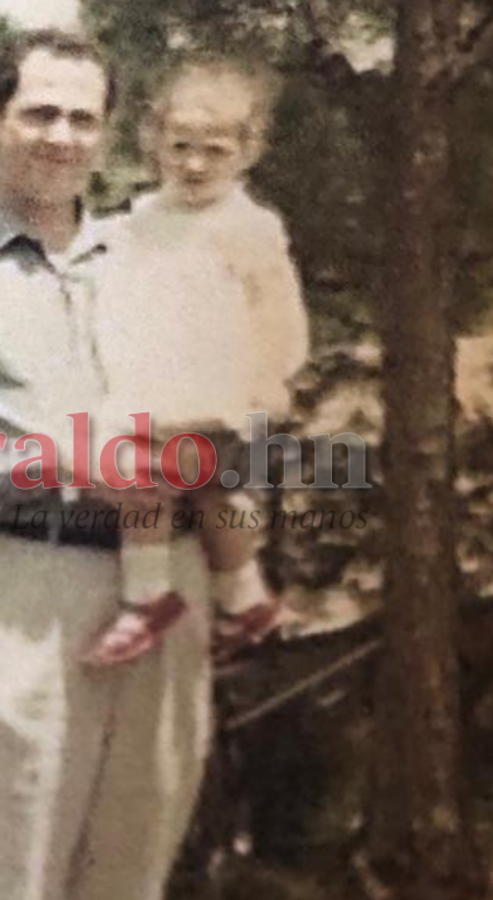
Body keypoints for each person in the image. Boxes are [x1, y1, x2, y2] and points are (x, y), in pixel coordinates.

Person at [0, 30, 219, 900]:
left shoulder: (153, 258)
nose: (61, 137)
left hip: (166, 580)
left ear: (107, 132)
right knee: (5, 873)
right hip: (26, 583)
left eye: (82, 118)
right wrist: (59, 462)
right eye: (39, 113)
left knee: (133, 871)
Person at [83, 56, 310, 667]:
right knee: (181, 486)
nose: (194, 164)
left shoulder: (251, 227)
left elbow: (278, 315)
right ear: (152, 140)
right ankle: (245, 599)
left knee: (176, 485)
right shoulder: (139, 221)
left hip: (221, 388)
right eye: (180, 146)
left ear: (247, 151)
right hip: (156, 380)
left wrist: (267, 383)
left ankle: (149, 600)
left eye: (214, 150)